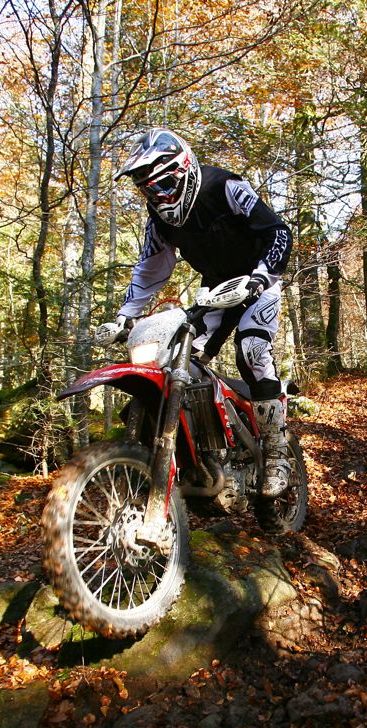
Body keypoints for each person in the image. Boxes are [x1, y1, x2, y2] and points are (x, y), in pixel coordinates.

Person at [97, 128, 295, 497]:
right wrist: (125, 315)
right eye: (148, 190)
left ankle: (276, 451)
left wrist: (262, 276)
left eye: (161, 185)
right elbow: (151, 267)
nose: (156, 196)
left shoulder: (225, 186)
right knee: (176, 356)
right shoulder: (159, 220)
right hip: (215, 291)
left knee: (251, 348)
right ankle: (205, 451)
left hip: (258, 280)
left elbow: (277, 231)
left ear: (182, 168)